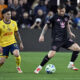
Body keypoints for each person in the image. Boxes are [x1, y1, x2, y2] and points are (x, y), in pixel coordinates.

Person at [34, 5, 80, 74]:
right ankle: (39, 68)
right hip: (57, 40)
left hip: (65, 39)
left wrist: (70, 32)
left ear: (65, 10)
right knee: (51, 55)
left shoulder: (66, 16)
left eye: (63, 11)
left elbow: (67, 24)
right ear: (58, 10)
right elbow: (46, 25)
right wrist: (42, 35)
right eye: (60, 11)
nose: (62, 12)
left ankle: (71, 64)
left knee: (77, 48)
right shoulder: (53, 17)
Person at [0, 8, 24, 73]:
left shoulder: (14, 23)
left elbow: (17, 34)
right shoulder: (0, 24)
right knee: (1, 62)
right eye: (8, 14)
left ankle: (18, 67)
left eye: (10, 14)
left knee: (16, 54)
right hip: (3, 45)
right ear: (3, 15)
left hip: (12, 42)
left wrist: (20, 43)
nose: (9, 15)